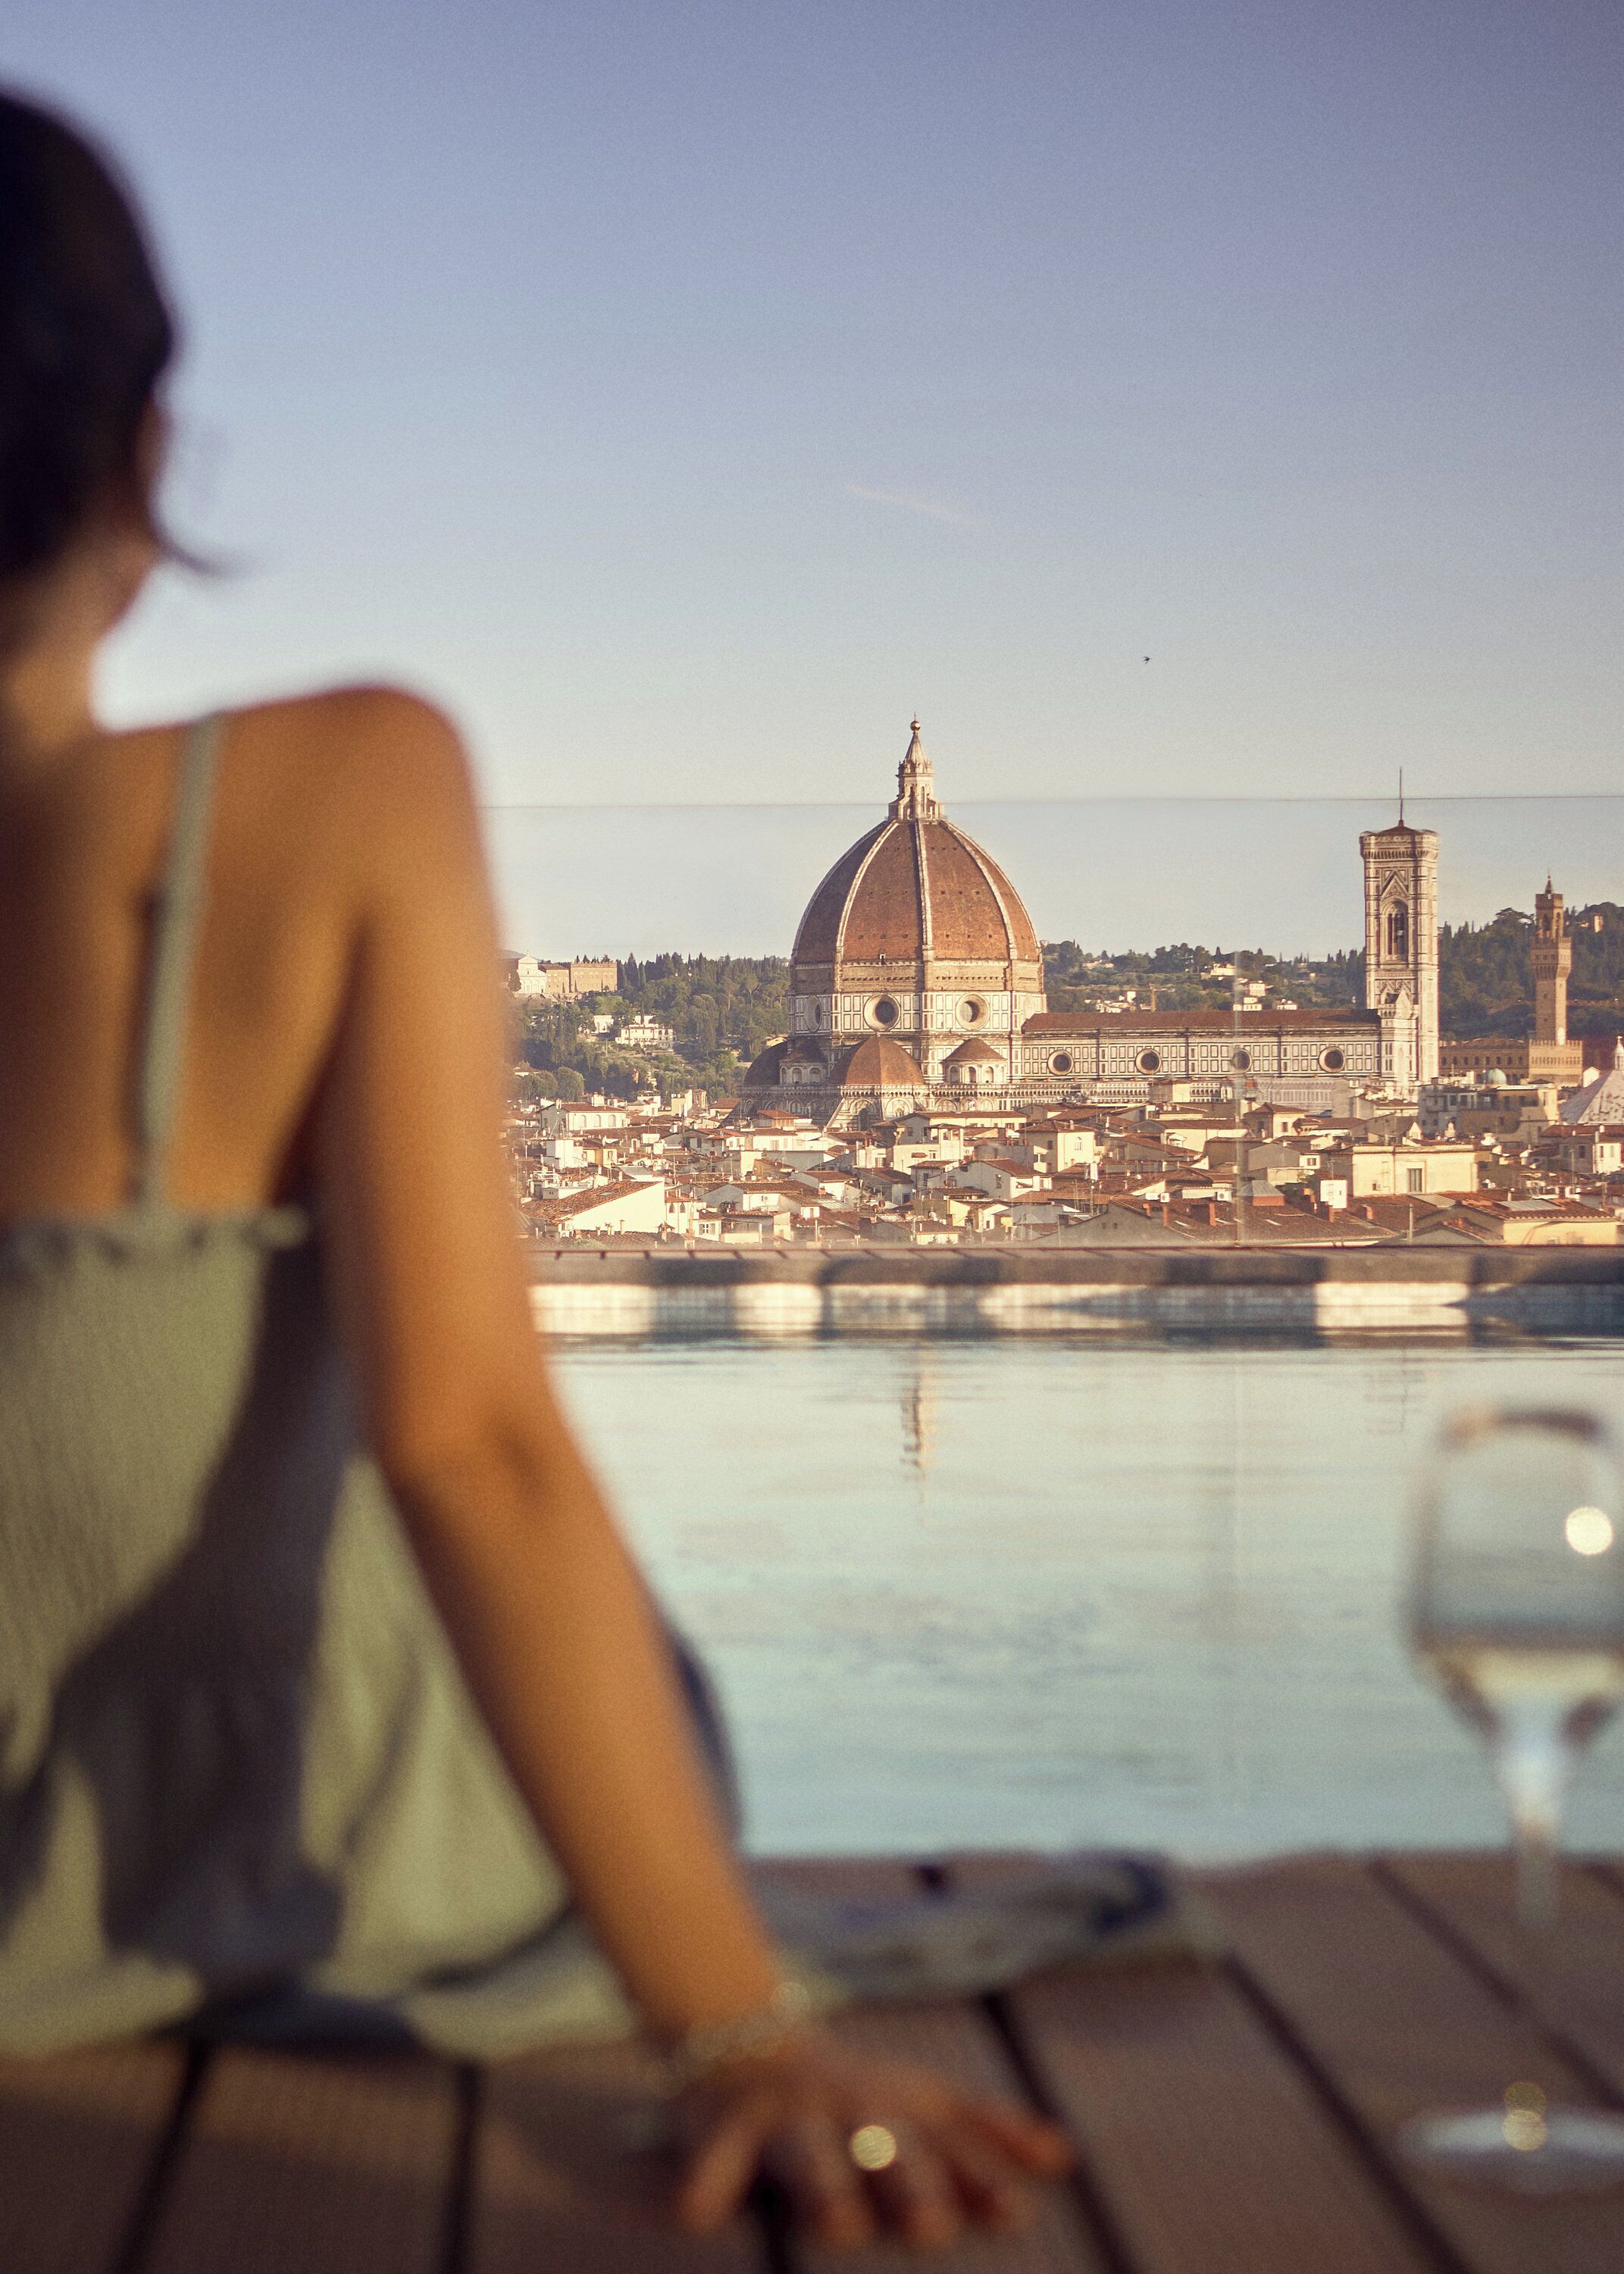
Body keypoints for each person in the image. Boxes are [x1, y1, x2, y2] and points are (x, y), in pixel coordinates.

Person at [0, 90, 1071, 2251]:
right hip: (313, 1869)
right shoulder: (336, 791)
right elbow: (472, 1448)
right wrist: (740, 2033)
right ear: (142, 457)